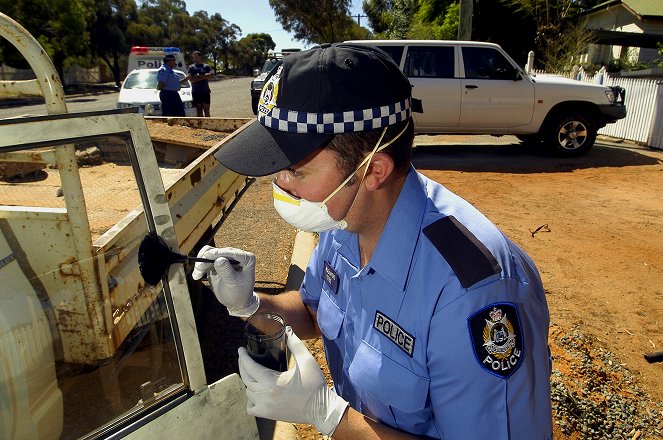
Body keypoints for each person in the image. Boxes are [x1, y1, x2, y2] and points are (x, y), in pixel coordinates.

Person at [191, 43, 553, 439]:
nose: (279, 182)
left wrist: (329, 415)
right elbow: (315, 311)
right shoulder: (343, 221)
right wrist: (252, 304)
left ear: (373, 170)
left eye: (295, 169)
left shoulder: (472, 292)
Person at [187, 51, 213, 117]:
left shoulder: (206, 66)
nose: (194, 59)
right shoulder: (191, 67)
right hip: (196, 92)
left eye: (196, 57)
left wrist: (199, 76)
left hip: (205, 91)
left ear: (200, 57)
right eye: (193, 57)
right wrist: (203, 77)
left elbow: (210, 75)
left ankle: (208, 124)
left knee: (206, 110)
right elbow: (191, 79)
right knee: (199, 110)